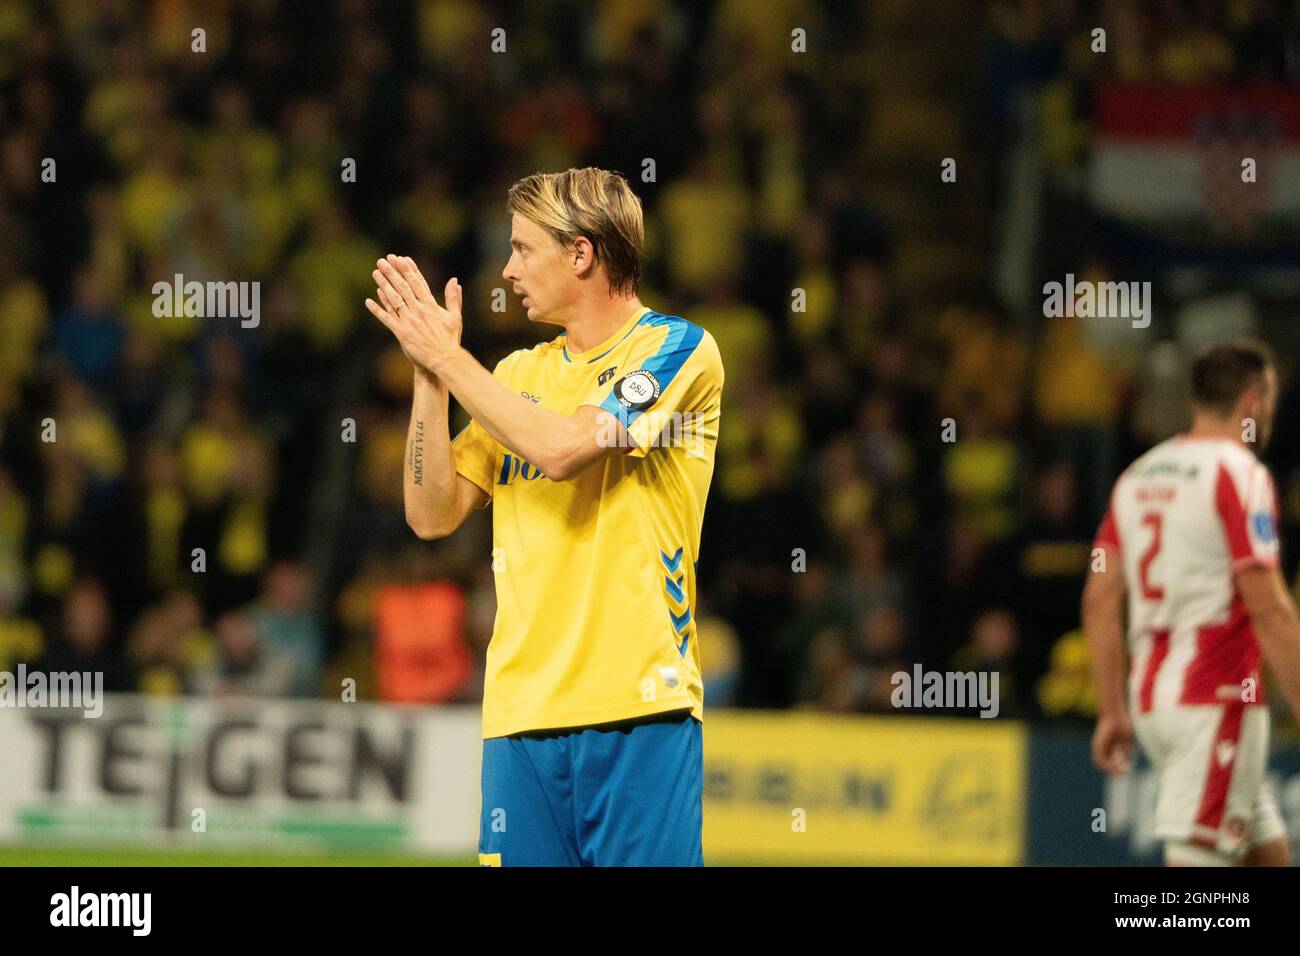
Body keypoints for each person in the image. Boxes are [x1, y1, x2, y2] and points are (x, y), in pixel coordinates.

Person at [364, 167, 724, 866]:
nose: (508, 269)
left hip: (638, 709)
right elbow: (430, 513)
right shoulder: (518, 376)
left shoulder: (678, 350)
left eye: (525, 249)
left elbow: (563, 449)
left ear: (581, 254)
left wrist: (452, 356)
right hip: (520, 720)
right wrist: (429, 377)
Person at [1083, 340, 1300, 866]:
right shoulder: (1240, 473)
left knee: (1266, 857)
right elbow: (1267, 607)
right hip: (1216, 701)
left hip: (1156, 705)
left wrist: (1112, 710)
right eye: (1268, 400)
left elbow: (1098, 599)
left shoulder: (1138, 477)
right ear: (1253, 401)